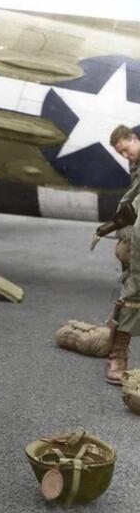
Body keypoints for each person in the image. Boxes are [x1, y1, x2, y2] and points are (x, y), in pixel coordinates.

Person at [104, 125, 140, 384]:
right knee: (133, 289)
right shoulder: (136, 164)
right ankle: (116, 356)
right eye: (122, 153)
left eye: (126, 150)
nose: (126, 156)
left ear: (135, 139)